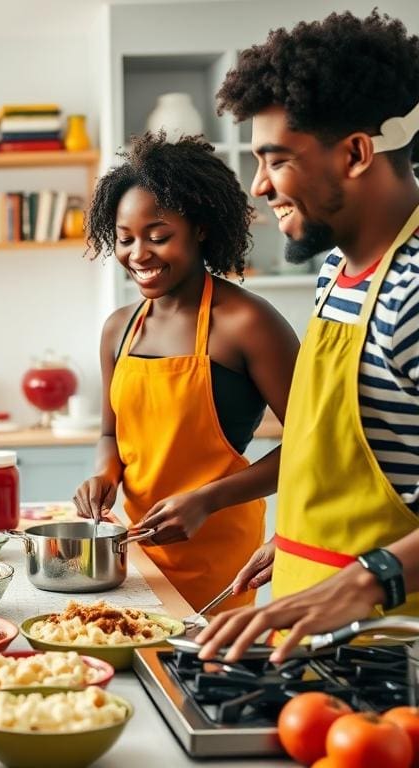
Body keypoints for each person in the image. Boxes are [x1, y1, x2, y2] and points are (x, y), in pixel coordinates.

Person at [197, 10, 419, 663]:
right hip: (320, 647)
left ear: (355, 153)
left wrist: (365, 578)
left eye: (278, 160)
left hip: (397, 658)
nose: (259, 186)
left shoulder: (413, 293)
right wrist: (299, 541)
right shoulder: (337, 272)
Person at [74, 132, 299, 612]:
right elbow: (111, 434)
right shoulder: (119, 329)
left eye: (158, 237)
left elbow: (313, 446)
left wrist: (206, 500)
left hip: (219, 559)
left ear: (200, 228)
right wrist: (103, 475)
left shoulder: (247, 323)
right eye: (125, 239)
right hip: (135, 553)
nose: (139, 254)